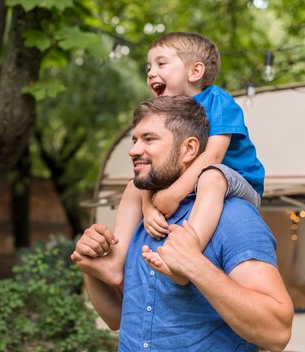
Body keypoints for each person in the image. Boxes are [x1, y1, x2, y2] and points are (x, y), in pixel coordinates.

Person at [79, 95, 293, 351]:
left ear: (189, 149)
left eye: (149, 139)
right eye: (134, 140)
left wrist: (195, 265)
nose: (134, 150)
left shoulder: (233, 218)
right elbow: (117, 318)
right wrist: (92, 271)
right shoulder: (142, 216)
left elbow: (277, 332)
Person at [71, 32, 264, 286]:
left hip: (237, 181)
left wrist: (173, 195)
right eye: (149, 67)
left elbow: (214, 155)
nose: (151, 72)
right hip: (195, 179)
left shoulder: (218, 101)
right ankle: (116, 262)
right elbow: (152, 172)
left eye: (161, 64)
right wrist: (148, 206)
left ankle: (185, 259)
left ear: (195, 72)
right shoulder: (165, 114)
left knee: (212, 177)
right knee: (133, 184)